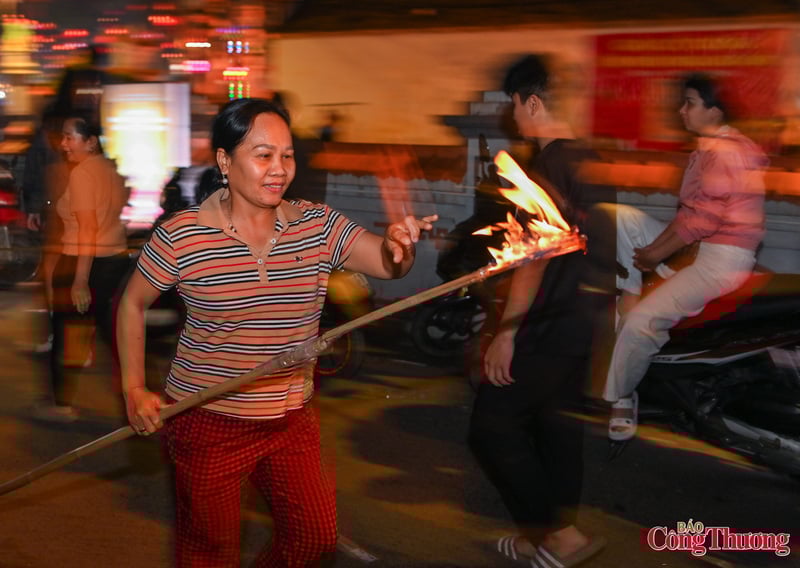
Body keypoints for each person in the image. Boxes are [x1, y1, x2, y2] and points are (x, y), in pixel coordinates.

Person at [116, 98, 436, 567]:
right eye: (263, 155)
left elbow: (388, 264)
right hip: (206, 418)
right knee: (210, 553)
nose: (279, 169)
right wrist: (133, 388)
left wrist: (399, 246)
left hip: (291, 418)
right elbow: (132, 303)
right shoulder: (183, 235)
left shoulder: (316, 224)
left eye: (287, 155)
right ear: (225, 161)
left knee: (313, 537)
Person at [469, 54, 612, 567]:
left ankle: (559, 536)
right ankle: (544, 537)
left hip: (546, 324)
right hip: (584, 321)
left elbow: (533, 260)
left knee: (492, 427)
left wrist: (506, 331)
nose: (513, 116)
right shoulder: (592, 161)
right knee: (557, 428)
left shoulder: (545, 171)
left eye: (514, 104)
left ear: (532, 102)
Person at [603, 73, 767, 442]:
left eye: (690, 103)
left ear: (714, 110)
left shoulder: (724, 152)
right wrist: (654, 253)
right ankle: (633, 291)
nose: (681, 110)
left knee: (640, 323)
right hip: (698, 249)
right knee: (621, 218)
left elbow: (702, 222)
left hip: (721, 262)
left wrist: (655, 254)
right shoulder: (711, 147)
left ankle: (622, 396)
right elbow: (687, 216)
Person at [33, 112, 131, 422]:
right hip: (114, 260)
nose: (63, 144)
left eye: (69, 137)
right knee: (116, 338)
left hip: (83, 260)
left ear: (90, 142)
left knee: (63, 334)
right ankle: (137, 400)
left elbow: (88, 228)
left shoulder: (82, 174)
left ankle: (61, 404)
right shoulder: (110, 169)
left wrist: (79, 280)